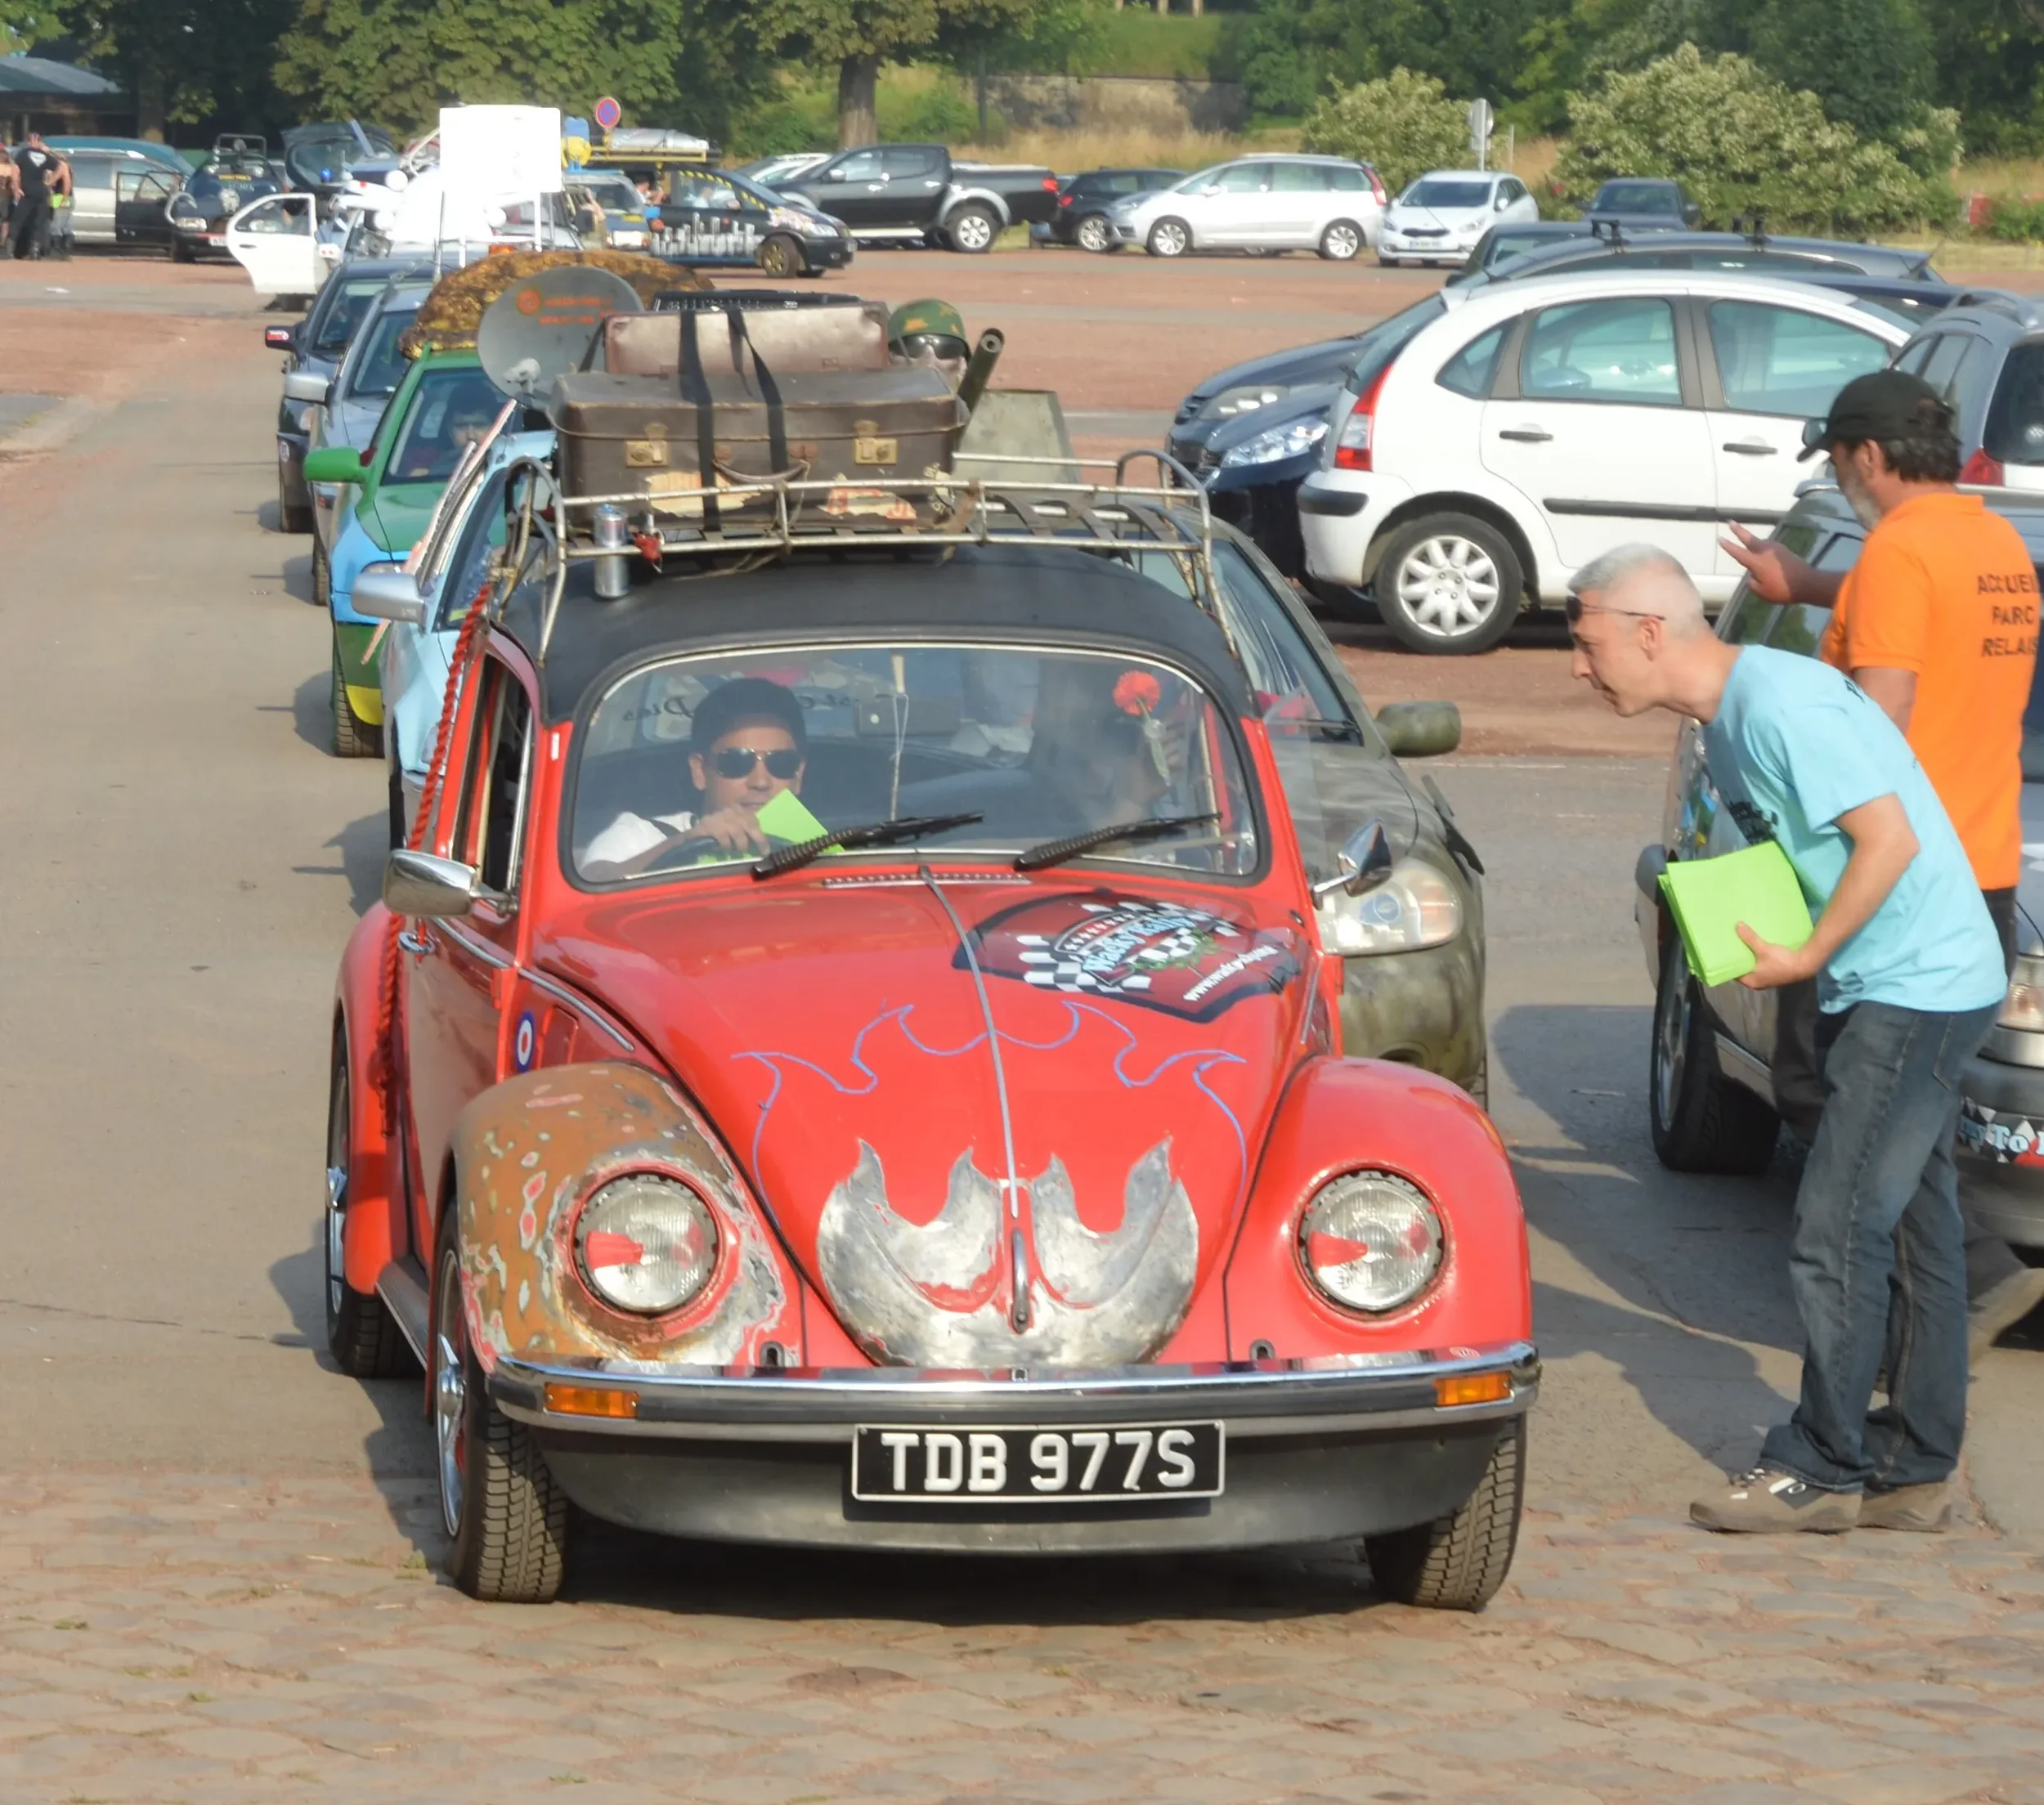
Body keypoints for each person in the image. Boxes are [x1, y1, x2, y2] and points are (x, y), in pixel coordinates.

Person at [1570, 544, 2006, 1534]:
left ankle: (1820, 1466)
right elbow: (1796, 850)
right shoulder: (1725, 719)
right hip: (1895, 979)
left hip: (1918, 986)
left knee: (1836, 1222)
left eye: (1587, 640)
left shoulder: (1780, 706)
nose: (1577, 666)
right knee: (1912, 1223)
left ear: (1649, 630)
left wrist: (1807, 955)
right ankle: (1914, 1467)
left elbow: (1886, 839)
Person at [1725, 370, 2044, 1359]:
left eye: (1835, 457)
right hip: (1981, 869)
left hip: (1896, 880)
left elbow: (1880, 717)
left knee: (1838, 1100)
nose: (1836, 473)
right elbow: (1919, 612)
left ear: (1866, 455)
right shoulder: (1995, 542)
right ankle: (1928, 1342)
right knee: (1913, 1112)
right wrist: (1806, 585)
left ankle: (1962, 1285)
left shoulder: (1900, 551)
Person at [582, 677, 809, 878]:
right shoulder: (643, 836)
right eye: (736, 762)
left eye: (781, 763)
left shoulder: (832, 846)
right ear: (700, 771)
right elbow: (593, 882)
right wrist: (685, 843)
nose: (760, 781)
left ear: (798, 774)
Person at [10, 132, 61, 261]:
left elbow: (15, 171)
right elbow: (61, 166)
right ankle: (35, 252)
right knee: (39, 223)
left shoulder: (22, 153)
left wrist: (16, 188)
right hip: (42, 193)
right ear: (40, 142)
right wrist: (50, 182)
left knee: (18, 220)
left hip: (27, 192)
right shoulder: (46, 156)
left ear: (29, 142)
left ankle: (9, 250)